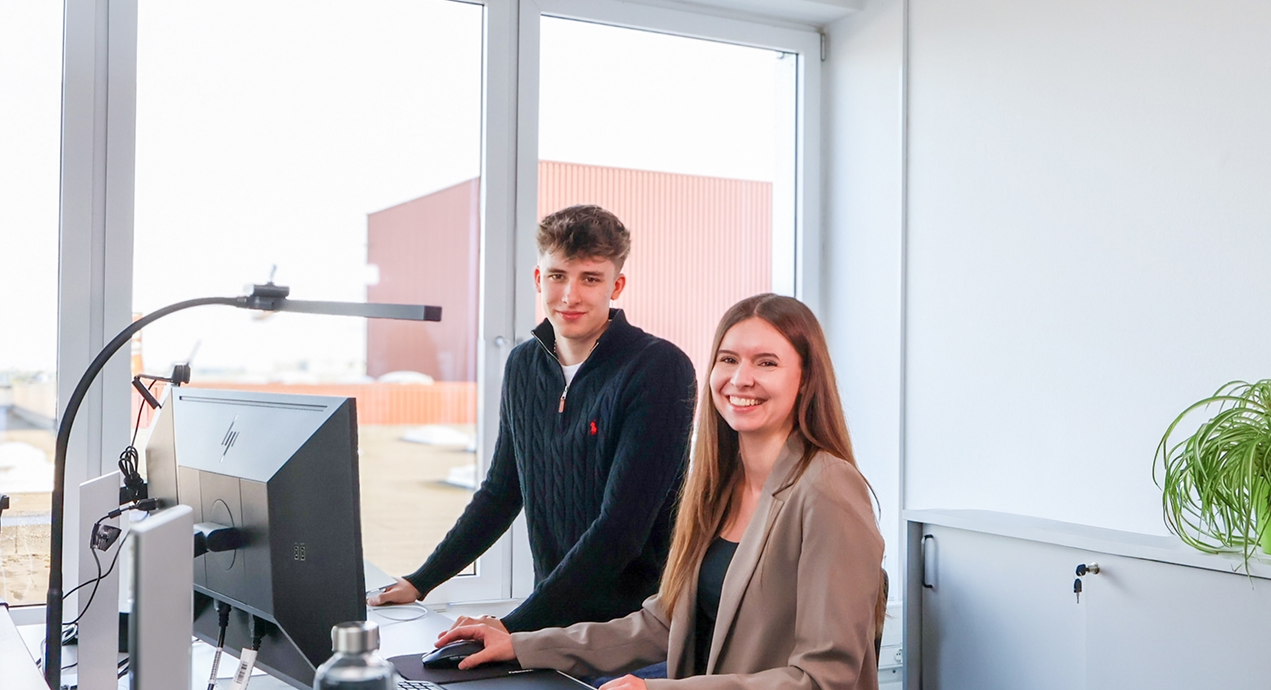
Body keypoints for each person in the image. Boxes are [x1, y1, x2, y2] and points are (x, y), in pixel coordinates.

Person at [439, 293, 885, 690]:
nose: (740, 378)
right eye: (728, 360)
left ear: (806, 379)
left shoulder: (826, 488)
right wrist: (519, 645)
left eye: (766, 362)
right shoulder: (716, 488)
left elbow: (826, 677)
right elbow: (661, 624)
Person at [369, 204, 698, 636]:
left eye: (590, 279)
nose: (570, 296)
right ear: (539, 278)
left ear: (616, 286)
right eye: (559, 276)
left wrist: (512, 626)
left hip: (639, 630)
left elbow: (620, 531)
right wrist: (421, 581)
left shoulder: (658, 369)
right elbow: (502, 491)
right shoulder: (523, 364)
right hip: (555, 621)